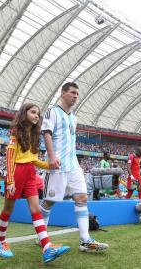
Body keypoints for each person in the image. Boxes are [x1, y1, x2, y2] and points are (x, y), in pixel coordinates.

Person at [0, 103, 70, 262]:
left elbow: (33, 160)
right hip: (16, 172)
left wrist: (49, 164)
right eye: (33, 112)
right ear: (24, 113)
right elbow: (10, 157)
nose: (36, 115)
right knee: (8, 209)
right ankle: (0, 243)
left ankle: (47, 247)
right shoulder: (15, 131)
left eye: (38, 113)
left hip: (30, 174)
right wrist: (10, 180)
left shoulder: (35, 134)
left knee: (36, 208)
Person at [40, 82, 108, 252]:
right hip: (56, 166)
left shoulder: (73, 117)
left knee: (82, 198)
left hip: (74, 166)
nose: (76, 96)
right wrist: (52, 156)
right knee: (49, 202)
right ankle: (41, 235)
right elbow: (46, 133)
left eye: (77, 93)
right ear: (63, 93)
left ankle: (85, 240)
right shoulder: (52, 112)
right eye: (73, 92)